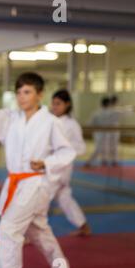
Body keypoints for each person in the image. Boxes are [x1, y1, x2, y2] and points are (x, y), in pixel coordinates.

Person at [0, 72, 76, 268]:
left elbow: (67, 151)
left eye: (27, 91)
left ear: (40, 94)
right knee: (40, 231)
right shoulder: (13, 118)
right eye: (19, 92)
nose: (22, 96)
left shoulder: (50, 122)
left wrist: (47, 162)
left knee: (9, 230)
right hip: (17, 183)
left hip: (35, 183)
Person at [50, 90, 91, 236]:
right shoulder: (49, 120)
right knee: (64, 198)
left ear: (67, 105)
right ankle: (83, 226)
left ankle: (30, 234)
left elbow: (81, 148)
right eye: (53, 103)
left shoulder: (72, 124)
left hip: (61, 169)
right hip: (48, 165)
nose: (54, 106)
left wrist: (65, 149)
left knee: (39, 199)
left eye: (58, 104)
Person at [85, 98, 112, 167]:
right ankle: (89, 162)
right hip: (99, 133)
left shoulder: (110, 112)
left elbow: (89, 123)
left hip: (105, 133)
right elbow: (90, 123)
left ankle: (104, 160)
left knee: (106, 147)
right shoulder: (97, 113)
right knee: (99, 148)